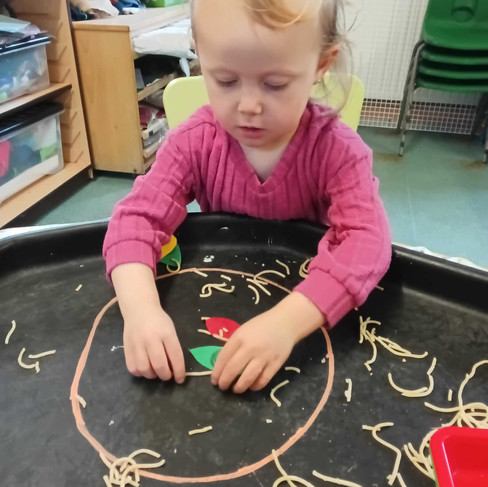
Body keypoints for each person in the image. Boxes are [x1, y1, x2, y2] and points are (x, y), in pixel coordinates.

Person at [103, 0, 391, 395]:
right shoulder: (194, 142)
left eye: (275, 85)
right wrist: (141, 312)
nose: (249, 106)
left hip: (305, 307)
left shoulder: (339, 152)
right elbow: (135, 220)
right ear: (200, 54)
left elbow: (366, 243)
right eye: (225, 80)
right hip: (222, 297)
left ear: (322, 64)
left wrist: (286, 324)